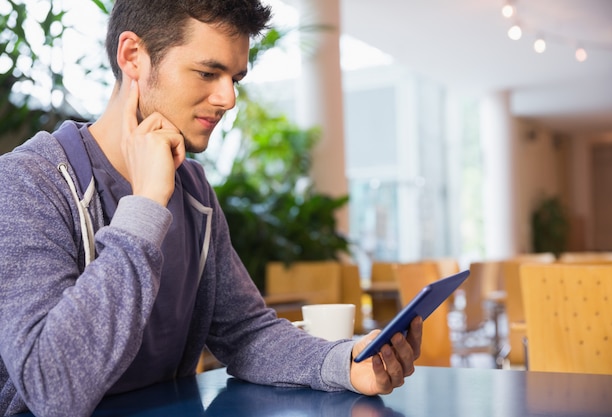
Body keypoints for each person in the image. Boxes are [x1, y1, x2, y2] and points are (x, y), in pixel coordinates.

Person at [0, 1, 423, 416]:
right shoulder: (28, 182)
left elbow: (245, 333)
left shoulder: (194, 190)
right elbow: (52, 389)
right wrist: (145, 204)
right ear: (133, 56)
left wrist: (348, 364)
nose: (228, 98)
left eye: (235, 77)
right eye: (207, 72)